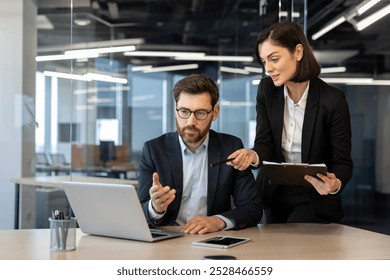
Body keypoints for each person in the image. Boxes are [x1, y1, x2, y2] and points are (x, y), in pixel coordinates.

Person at [227, 21, 353, 223]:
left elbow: (342, 162)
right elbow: (265, 144)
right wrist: (253, 155)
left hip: (313, 196)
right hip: (273, 192)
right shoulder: (266, 91)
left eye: (274, 59)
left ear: (298, 52)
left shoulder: (332, 100)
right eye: (263, 61)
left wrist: (335, 183)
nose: (268, 68)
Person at [137, 73, 262, 234]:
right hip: (167, 239)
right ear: (175, 109)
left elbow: (253, 208)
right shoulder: (153, 150)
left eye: (200, 113)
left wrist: (218, 221)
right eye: (184, 111)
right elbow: (141, 210)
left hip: (211, 238)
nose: (190, 122)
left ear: (215, 112)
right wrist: (156, 208)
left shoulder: (231, 147)